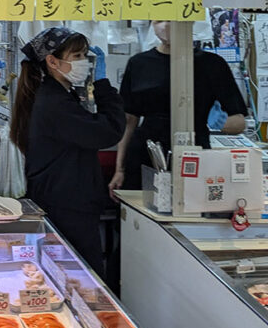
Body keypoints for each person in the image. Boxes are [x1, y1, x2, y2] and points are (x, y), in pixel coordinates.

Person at [13, 27, 125, 273]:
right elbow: (108, 131)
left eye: (86, 56)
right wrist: (103, 84)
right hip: (66, 206)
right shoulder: (54, 102)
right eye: (78, 57)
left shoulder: (58, 94)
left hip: (64, 198)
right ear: (52, 61)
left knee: (69, 272)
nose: (85, 63)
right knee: (79, 276)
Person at [110, 20, 248, 195]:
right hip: (147, 151)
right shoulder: (139, 63)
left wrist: (218, 121)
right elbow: (129, 120)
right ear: (152, 24)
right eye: (160, 20)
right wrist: (120, 170)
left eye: (172, 20)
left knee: (192, 208)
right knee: (141, 212)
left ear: (189, 22)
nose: (166, 25)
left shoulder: (212, 64)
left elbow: (239, 122)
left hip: (194, 149)